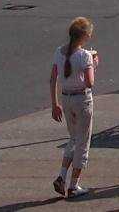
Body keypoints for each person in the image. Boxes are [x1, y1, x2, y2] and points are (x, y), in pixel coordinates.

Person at [50, 17, 99, 199]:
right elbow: (89, 82)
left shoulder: (58, 52)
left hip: (66, 99)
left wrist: (54, 104)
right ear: (85, 36)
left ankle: (62, 176)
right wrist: (94, 65)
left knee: (73, 138)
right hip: (82, 100)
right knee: (83, 141)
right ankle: (74, 185)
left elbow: (53, 78)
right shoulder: (85, 55)